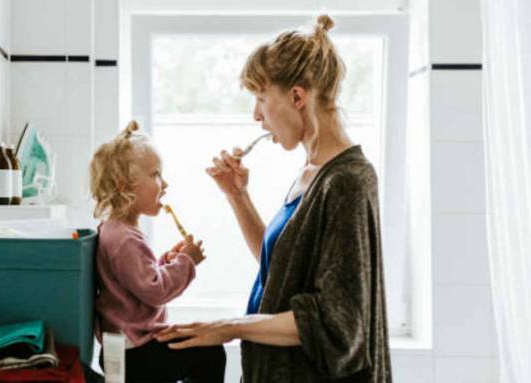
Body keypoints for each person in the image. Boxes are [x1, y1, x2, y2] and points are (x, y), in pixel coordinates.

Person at [155, 14, 392, 382]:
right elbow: (281, 271)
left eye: (262, 99)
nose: (256, 116)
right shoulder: (311, 172)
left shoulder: (348, 181)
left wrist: (230, 327)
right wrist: (238, 196)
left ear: (297, 96)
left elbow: (340, 323)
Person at [89, 121, 227, 382]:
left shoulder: (118, 231)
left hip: (130, 347)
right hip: (136, 352)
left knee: (203, 349)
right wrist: (187, 262)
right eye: (155, 175)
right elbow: (155, 291)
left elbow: (137, 281)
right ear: (124, 186)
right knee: (209, 351)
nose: (164, 183)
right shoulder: (123, 239)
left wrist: (166, 261)